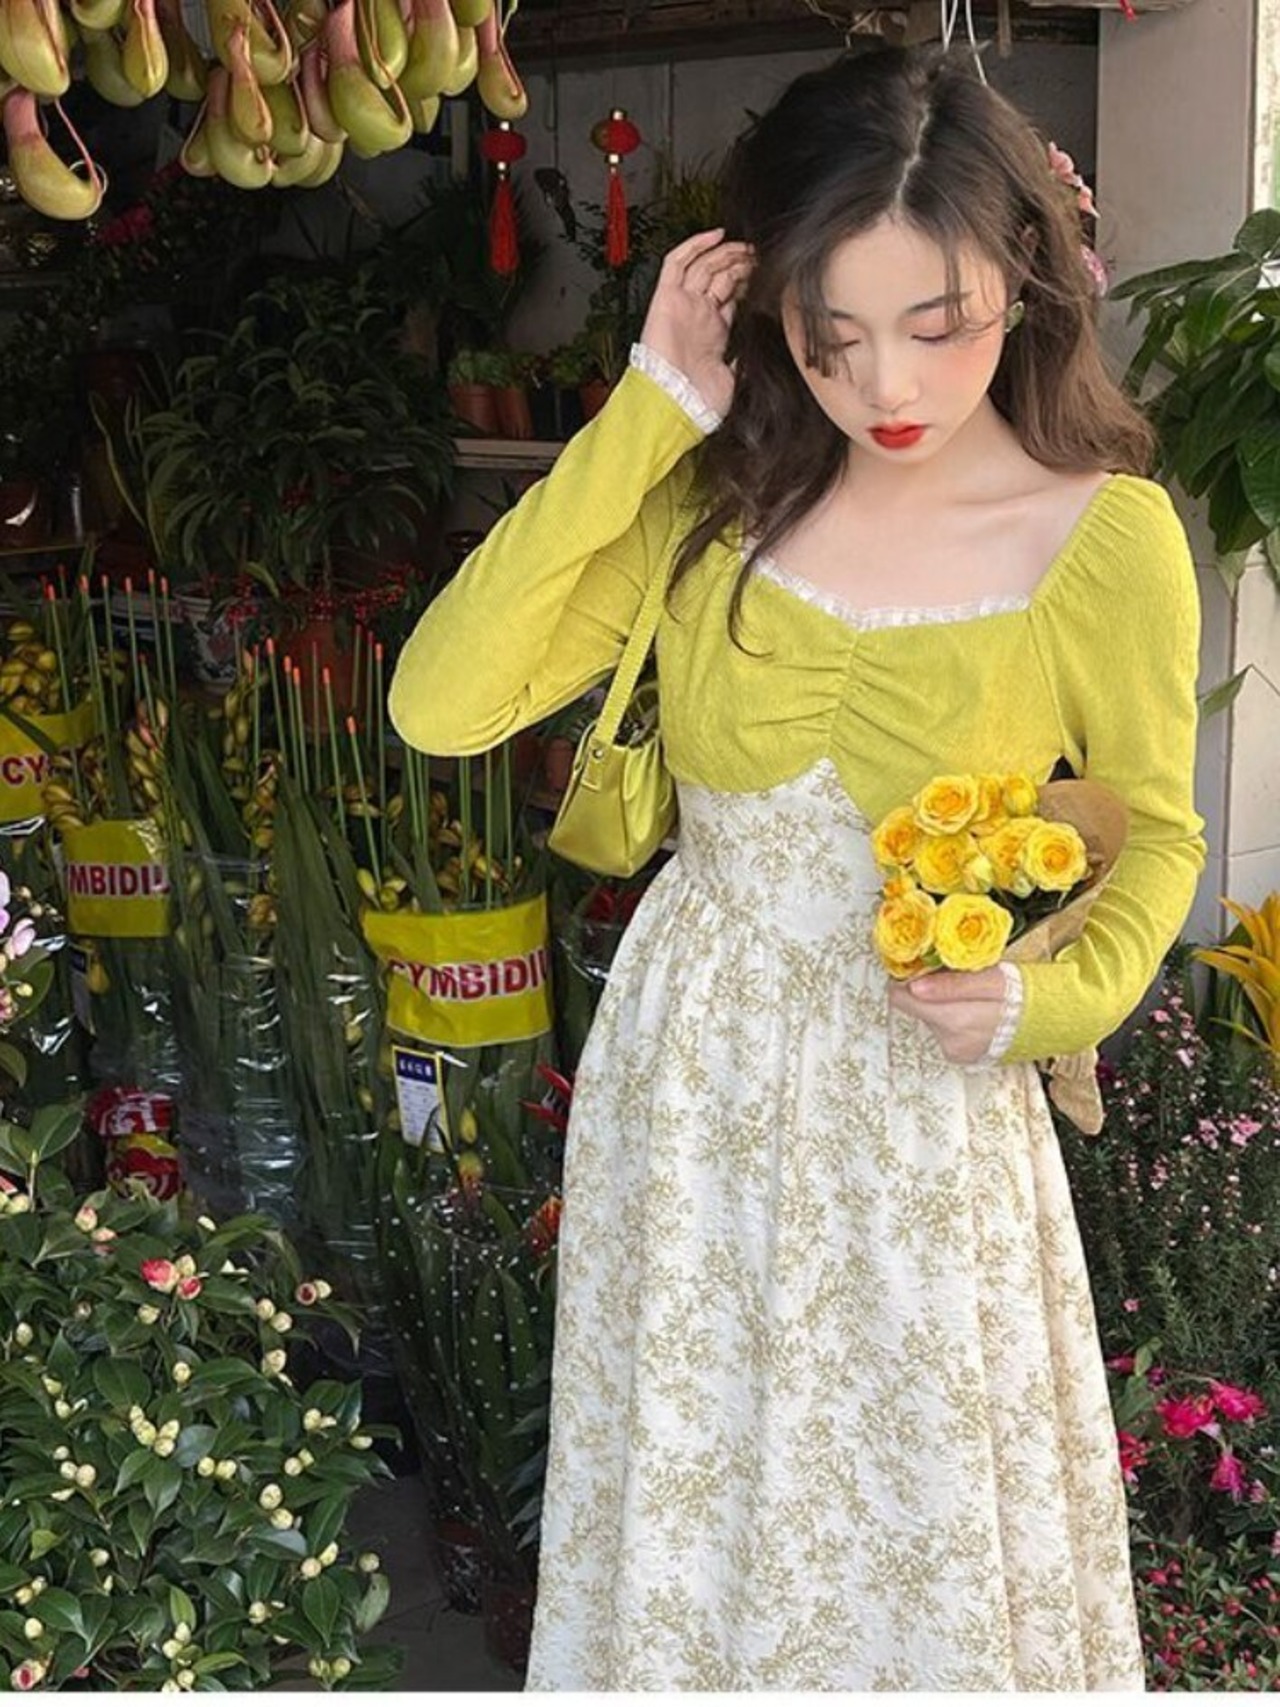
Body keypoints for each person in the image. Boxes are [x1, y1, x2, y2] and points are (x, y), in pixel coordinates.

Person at [389, 45, 1204, 1690]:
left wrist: (1042, 1003)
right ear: (770, 310)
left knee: (915, 1522)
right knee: (698, 1503)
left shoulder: (1100, 536)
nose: (886, 382)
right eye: (832, 335)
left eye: (938, 323)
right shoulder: (715, 494)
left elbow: (1158, 834)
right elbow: (442, 702)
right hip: (693, 1093)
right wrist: (646, 411)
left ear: (1024, 277)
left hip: (922, 1110)